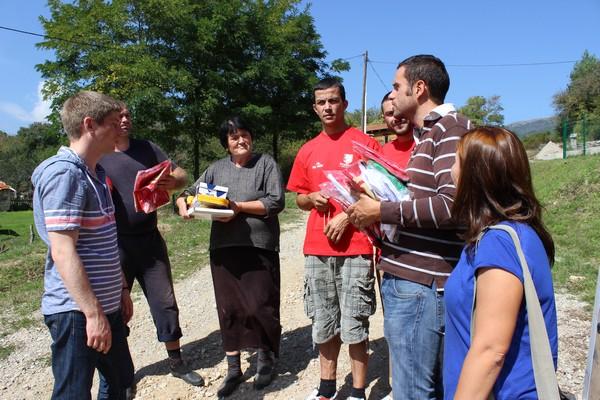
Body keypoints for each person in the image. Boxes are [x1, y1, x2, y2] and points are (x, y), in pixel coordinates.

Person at [347, 55, 471, 399]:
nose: (392, 93)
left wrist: (381, 210)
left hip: (421, 285)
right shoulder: (430, 133)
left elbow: (453, 206)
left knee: (413, 391)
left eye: (396, 86)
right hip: (413, 281)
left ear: (419, 89)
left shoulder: (449, 130)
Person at [31, 91, 134, 399]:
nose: (121, 129)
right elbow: (63, 250)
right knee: (74, 394)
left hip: (106, 305)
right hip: (77, 312)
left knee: (120, 383)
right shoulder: (65, 173)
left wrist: (121, 289)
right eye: (113, 123)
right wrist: (93, 314)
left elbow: (104, 242)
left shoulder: (96, 173)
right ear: (90, 125)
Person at [443, 127, 558, 399]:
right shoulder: (518, 233)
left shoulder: (499, 243)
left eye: (456, 161)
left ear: (475, 176)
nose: (451, 171)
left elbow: (491, 351)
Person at [176, 116, 285, 397]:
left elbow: (276, 201)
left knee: (261, 305)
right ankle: (234, 369)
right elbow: (189, 192)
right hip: (223, 248)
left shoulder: (265, 164)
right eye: (234, 137)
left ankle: (266, 358)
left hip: (259, 246)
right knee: (230, 309)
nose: (240, 140)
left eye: (244, 134)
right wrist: (183, 203)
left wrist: (238, 207)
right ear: (226, 143)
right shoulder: (216, 169)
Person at [287, 78, 381, 400]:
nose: (327, 107)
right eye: (321, 102)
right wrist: (310, 198)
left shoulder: (365, 145)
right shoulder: (308, 149)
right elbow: (298, 197)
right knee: (323, 321)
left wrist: (348, 216)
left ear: (344, 103)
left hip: (356, 248)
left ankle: (357, 391)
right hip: (317, 249)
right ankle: (326, 387)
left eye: (333, 101)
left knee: (355, 321)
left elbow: (379, 194)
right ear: (315, 108)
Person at [98, 105, 203, 387]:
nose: (125, 120)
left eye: (128, 115)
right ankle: (124, 375)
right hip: (115, 244)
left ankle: (177, 363)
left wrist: (172, 181)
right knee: (116, 310)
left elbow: (182, 175)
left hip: (150, 240)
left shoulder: (147, 148)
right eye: (118, 117)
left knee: (165, 302)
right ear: (107, 121)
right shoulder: (99, 153)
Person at [380, 91, 415, 169]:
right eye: (390, 113)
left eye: (400, 110)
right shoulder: (382, 153)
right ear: (384, 118)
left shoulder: (427, 143)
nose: (396, 117)